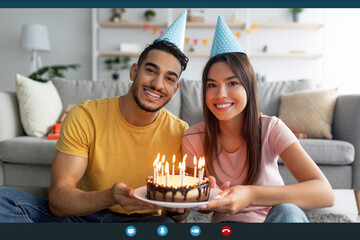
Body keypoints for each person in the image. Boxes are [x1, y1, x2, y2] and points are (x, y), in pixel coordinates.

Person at [0, 11, 189, 223]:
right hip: (82, 217)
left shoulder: (181, 132)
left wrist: (179, 210)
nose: (157, 84)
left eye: (169, 79)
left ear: (175, 88)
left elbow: (179, 216)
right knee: (4, 200)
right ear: (134, 71)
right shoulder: (85, 116)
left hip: (142, 222)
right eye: (151, 71)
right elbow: (58, 200)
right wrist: (110, 196)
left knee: (167, 226)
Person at [182, 16, 334, 223]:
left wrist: (250, 195)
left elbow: (325, 193)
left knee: (288, 212)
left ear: (249, 87)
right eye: (212, 85)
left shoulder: (271, 128)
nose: (221, 94)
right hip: (228, 226)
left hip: (275, 221)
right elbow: (201, 209)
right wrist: (208, 194)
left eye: (232, 83)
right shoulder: (193, 138)